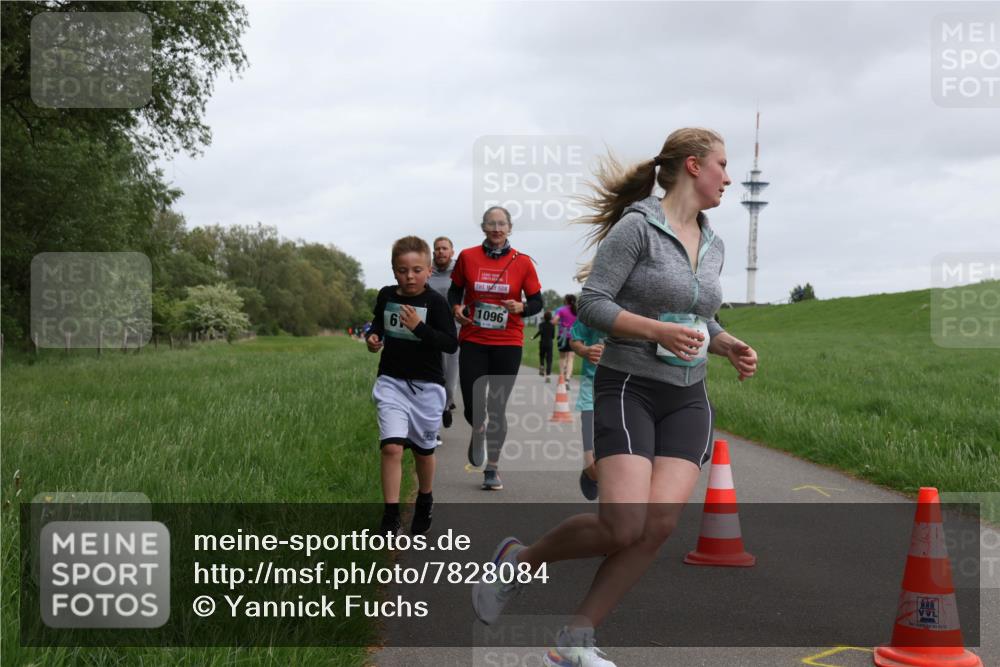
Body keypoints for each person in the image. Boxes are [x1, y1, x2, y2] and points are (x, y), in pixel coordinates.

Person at [472, 128, 759, 667]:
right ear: (694, 167)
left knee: (658, 526)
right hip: (628, 386)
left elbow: (703, 318)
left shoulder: (715, 242)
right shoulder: (637, 230)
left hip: (688, 396)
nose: (729, 176)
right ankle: (520, 560)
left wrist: (727, 344)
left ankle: (573, 639)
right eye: (723, 164)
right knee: (622, 525)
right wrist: (655, 332)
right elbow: (593, 305)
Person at [367, 236, 458, 536]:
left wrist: (419, 327)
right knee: (392, 447)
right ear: (394, 270)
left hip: (427, 388)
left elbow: (449, 342)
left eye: (417, 270)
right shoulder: (386, 296)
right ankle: (391, 515)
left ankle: (425, 499)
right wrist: (374, 338)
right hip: (392, 381)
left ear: (429, 271)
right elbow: (378, 324)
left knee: (423, 452)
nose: (410, 276)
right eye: (403, 270)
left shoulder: (435, 302)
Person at [448, 206, 543, 490]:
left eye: (502, 224)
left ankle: (492, 469)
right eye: (492, 224)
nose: (497, 229)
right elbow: (455, 290)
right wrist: (456, 307)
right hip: (474, 339)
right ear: (484, 228)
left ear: (510, 228)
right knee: (473, 405)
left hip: (508, 342)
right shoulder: (467, 257)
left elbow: (538, 301)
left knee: (497, 407)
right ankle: (478, 429)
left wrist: (522, 307)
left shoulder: (523, 262)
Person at [568, 263, 605, 501]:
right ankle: (590, 472)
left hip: (625, 388)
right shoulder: (589, 310)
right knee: (591, 456)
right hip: (592, 388)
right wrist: (585, 350)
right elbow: (575, 340)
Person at [427, 236, 460, 431]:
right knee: (433, 377)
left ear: (452, 252)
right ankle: (434, 425)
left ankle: (447, 404)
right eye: (437, 249)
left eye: (444, 248)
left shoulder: (459, 271)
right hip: (430, 330)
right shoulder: (427, 270)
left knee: (450, 378)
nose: (440, 252)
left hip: (453, 330)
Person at [553, 295, 578, 382]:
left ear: (566, 301)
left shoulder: (561, 310)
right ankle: (567, 378)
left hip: (563, 336)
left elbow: (554, 321)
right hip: (574, 337)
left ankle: (562, 377)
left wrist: (561, 323)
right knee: (571, 358)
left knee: (562, 357)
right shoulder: (577, 311)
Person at [532, 310, 555, 382]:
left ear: (544, 317)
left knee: (541, 355)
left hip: (542, 343)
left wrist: (533, 337)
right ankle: (548, 376)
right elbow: (553, 336)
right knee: (549, 360)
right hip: (549, 344)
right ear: (551, 317)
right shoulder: (552, 325)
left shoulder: (541, 325)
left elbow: (540, 332)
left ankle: (542, 366)